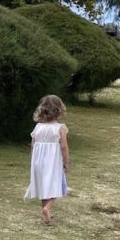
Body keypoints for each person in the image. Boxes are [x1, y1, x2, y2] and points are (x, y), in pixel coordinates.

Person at [24, 95, 70, 224]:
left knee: (44, 185)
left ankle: (45, 212)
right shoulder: (60, 128)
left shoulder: (38, 127)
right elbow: (64, 147)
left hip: (38, 161)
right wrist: (66, 162)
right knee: (57, 185)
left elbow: (33, 144)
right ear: (59, 110)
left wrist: (34, 159)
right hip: (53, 161)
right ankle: (47, 208)